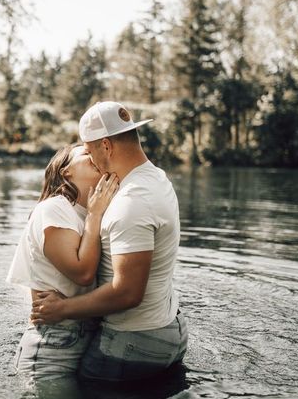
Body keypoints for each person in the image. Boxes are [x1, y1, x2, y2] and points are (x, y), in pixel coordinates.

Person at [31, 101, 188, 382]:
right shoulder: (158, 179)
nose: (91, 159)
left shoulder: (131, 202)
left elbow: (127, 293)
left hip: (133, 343)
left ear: (106, 146)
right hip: (170, 328)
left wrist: (61, 308)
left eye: (90, 151)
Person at [6, 143, 118, 381]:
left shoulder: (87, 214)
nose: (94, 154)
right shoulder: (55, 207)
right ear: (66, 171)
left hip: (86, 338)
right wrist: (95, 214)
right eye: (86, 152)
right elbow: (83, 273)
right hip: (52, 343)